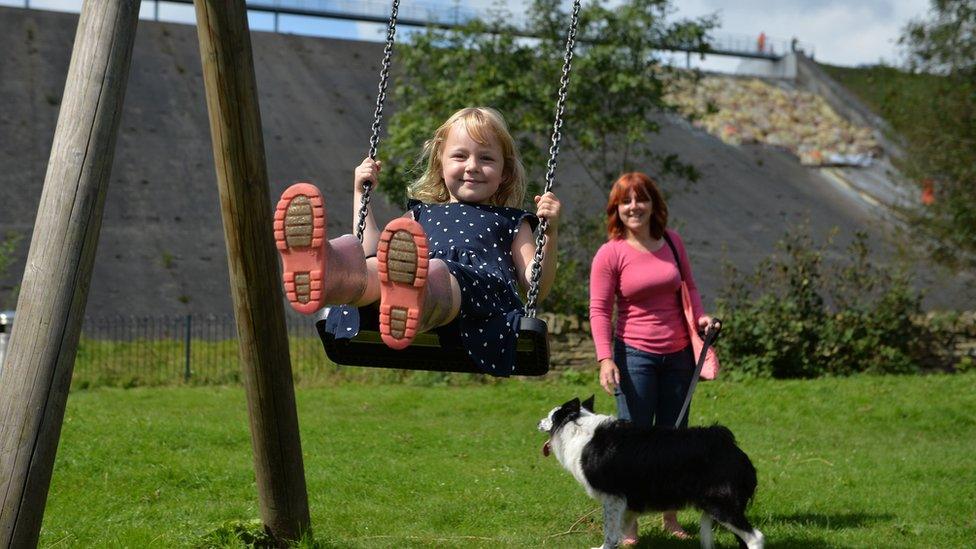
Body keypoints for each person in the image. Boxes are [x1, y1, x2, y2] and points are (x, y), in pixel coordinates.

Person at [274, 107, 561, 375]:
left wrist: (549, 232)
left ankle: (410, 298)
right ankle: (329, 272)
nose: (472, 166)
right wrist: (362, 195)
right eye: (460, 156)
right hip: (418, 276)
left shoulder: (512, 220)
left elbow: (534, 282)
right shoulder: (421, 213)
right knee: (375, 267)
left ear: (504, 173)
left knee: (433, 271)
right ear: (440, 163)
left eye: (486, 158)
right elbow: (372, 252)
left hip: (476, 298)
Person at [588, 171, 717, 543]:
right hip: (634, 357)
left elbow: (689, 287)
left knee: (674, 441)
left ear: (653, 204)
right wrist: (604, 359)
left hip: (678, 356)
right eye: (625, 201)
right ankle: (628, 525)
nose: (634, 207)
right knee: (633, 447)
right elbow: (599, 310)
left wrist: (702, 318)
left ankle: (671, 519)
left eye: (640, 199)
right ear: (616, 209)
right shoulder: (610, 253)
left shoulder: (672, 242)